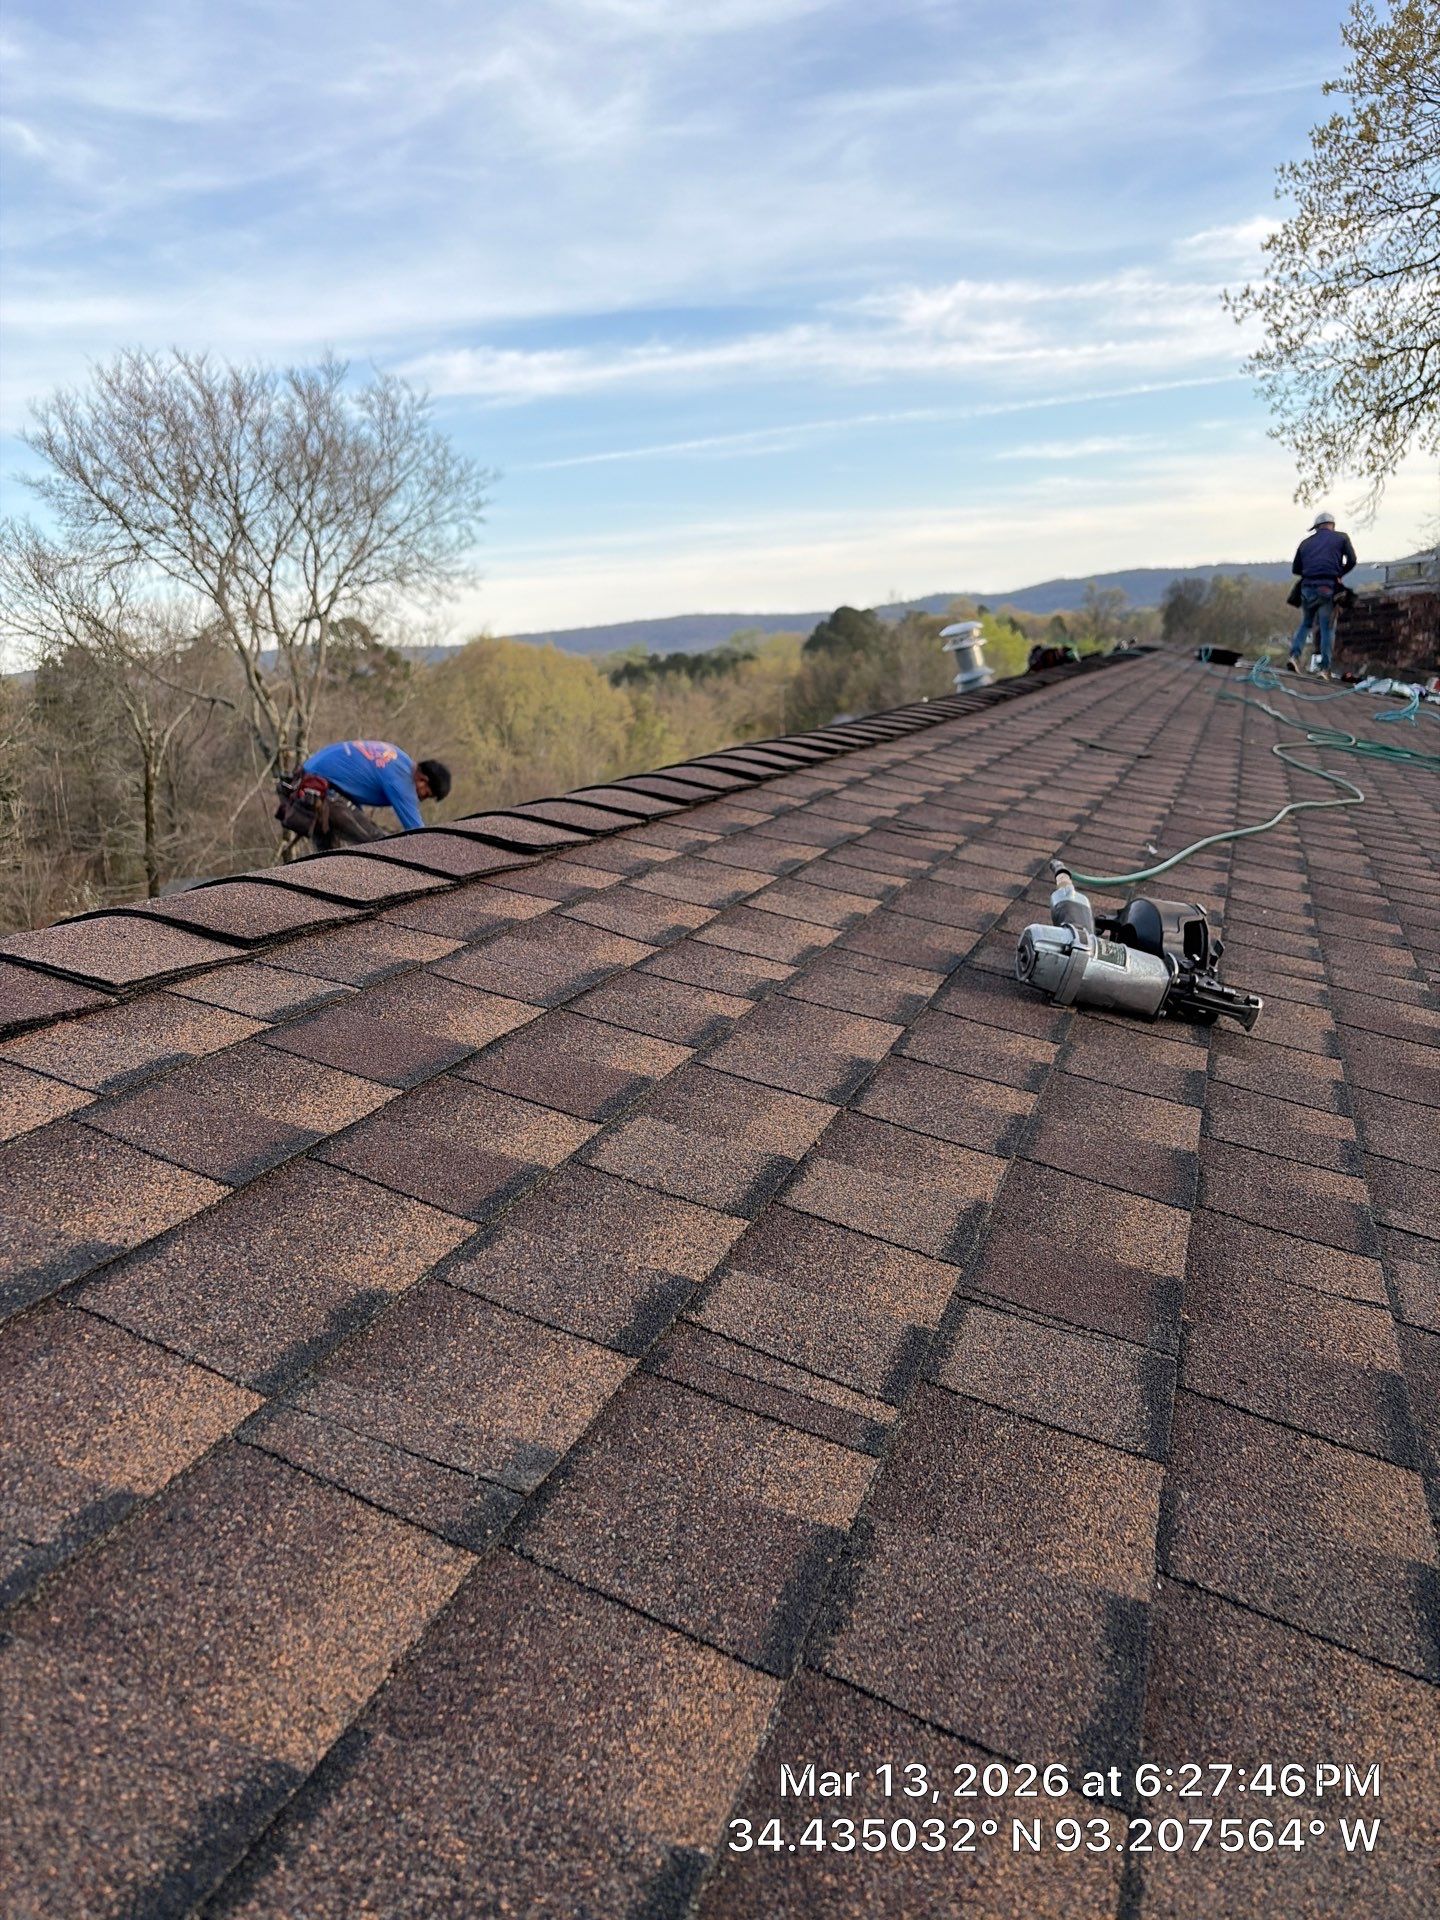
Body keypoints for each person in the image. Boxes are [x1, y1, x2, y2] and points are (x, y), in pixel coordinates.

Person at [276, 740, 451, 849]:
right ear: (423, 780)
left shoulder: (400, 758)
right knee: (379, 845)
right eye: (426, 794)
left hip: (309, 783)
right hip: (319, 789)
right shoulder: (402, 781)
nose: (420, 799)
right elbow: (420, 834)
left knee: (329, 854)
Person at [1287, 511, 1357, 676]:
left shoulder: (1305, 543)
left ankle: (1294, 656)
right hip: (1328, 588)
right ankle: (1324, 668)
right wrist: (1339, 573)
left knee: (1305, 624)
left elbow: (1296, 569)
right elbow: (1352, 560)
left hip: (1306, 588)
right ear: (1332, 525)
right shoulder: (1341, 538)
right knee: (1327, 628)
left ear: (1317, 528)